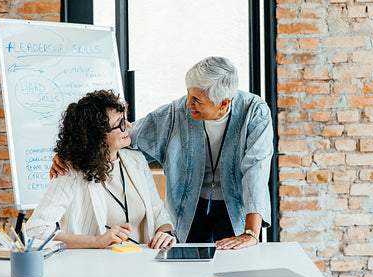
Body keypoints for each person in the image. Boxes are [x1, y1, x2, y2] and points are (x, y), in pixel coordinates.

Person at [51, 56, 273, 250]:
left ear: (224, 103)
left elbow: (256, 169)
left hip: (235, 208)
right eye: (188, 94)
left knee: (233, 268)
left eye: (197, 100)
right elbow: (125, 137)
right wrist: (71, 153)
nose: (188, 103)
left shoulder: (255, 113)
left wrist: (251, 233)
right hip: (189, 210)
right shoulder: (176, 113)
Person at [27, 90, 175, 249]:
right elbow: (35, 231)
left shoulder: (136, 161)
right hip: (94, 268)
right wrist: (97, 242)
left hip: (141, 264)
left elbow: (158, 212)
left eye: (124, 119)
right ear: (96, 136)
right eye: (120, 123)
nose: (129, 125)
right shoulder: (69, 172)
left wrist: (166, 233)